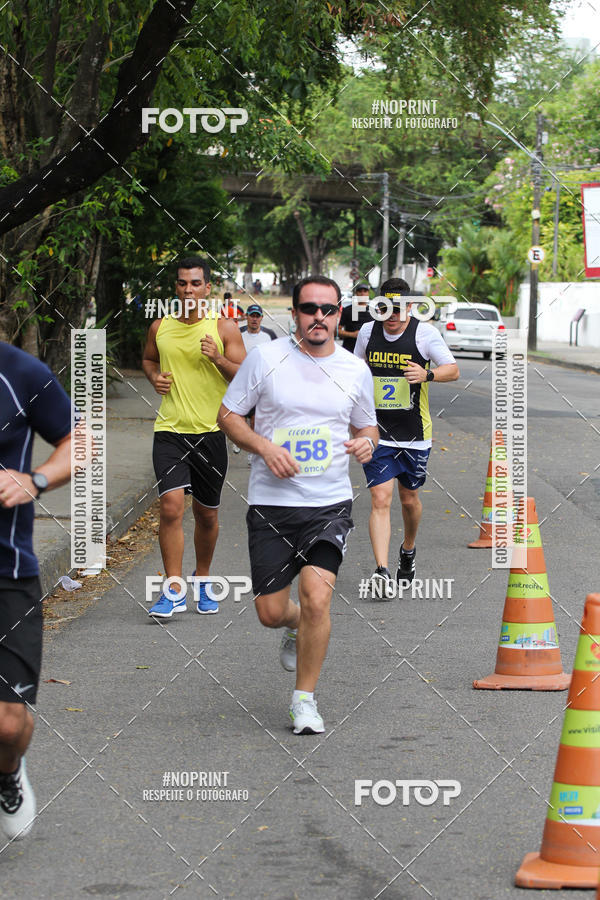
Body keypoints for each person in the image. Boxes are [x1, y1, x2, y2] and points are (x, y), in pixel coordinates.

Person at [217, 275, 378, 734]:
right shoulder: (265, 359)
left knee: (317, 597)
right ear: (294, 314)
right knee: (271, 612)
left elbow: (367, 428)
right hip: (271, 503)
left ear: (339, 314)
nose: (319, 317)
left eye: (328, 309)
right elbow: (227, 415)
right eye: (310, 308)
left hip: (329, 504)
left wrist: (366, 445)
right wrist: (264, 448)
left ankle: (304, 700)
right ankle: (294, 625)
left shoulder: (354, 369)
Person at [142, 256, 246, 618]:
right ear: (176, 287)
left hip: (211, 433)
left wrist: (218, 358)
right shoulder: (160, 327)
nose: (189, 289)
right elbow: (148, 360)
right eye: (183, 283)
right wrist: (154, 376)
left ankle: (202, 579)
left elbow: (245, 378)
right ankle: (172, 590)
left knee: (206, 515)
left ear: (207, 287)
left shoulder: (224, 328)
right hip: (169, 430)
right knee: (170, 507)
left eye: (196, 283)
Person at [0, 341, 72, 839]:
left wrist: (37, 479)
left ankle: (7, 772)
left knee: (8, 725)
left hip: (9, 569)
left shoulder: (21, 372)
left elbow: (79, 442)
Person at [354, 277, 459, 588]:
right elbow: (356, 370)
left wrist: (427, 374)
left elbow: (452, 369)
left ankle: (408, 550)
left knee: (409, 498)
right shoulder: (367, 332)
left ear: (411, 306)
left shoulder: (425, 334)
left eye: (400, 308)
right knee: (380, 498)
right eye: (386, 308)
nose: (393, 314)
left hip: (414, 432)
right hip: (376, 432)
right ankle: (382, 571)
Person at [338, 283, 372, 353]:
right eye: (360, 291)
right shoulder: (347, 310)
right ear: (356, 293)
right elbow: (337, 331)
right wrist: (352, 334)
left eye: (365, 291)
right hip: (349, 351)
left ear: (368, 294)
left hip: (368, 351)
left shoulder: (373, 311)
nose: (362, 293)